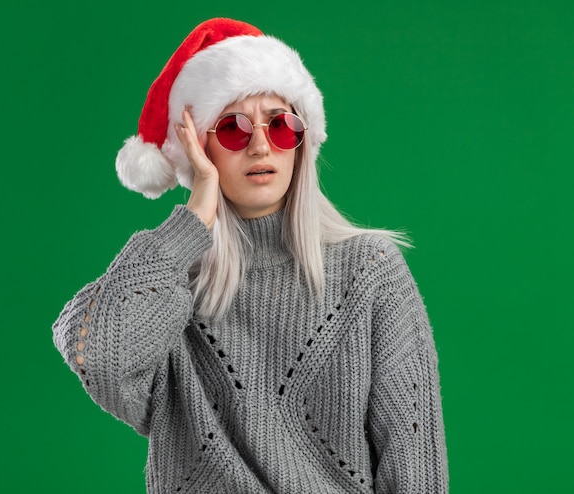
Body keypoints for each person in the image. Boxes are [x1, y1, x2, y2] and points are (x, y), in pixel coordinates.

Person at [52, 17, 449, 493]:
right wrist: (191, 223)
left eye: (281, 125)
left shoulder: (369, 271)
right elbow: (98, 356)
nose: (262, 144)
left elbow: (415, 466)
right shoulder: (172, 288)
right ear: (200, 151)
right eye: (235, 128)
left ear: (301, 145)